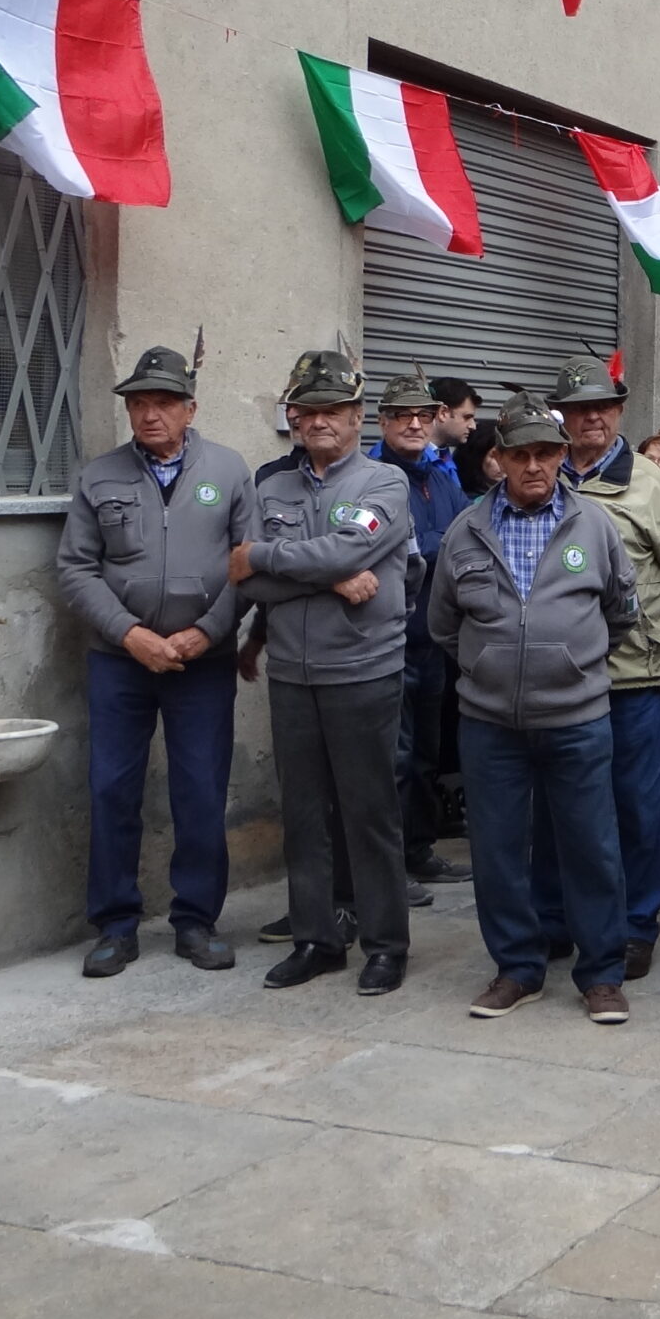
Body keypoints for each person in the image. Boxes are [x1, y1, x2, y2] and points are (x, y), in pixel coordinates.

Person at [426, 392, 639, 1023]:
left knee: (592, 847)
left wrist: (570, 662)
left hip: (577, 719)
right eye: (520, 454)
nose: (534, 466)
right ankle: (517, 968)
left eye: (547, 453)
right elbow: (442, 623)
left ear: (562, 457)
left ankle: (602, 974)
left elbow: (621, 613)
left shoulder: (595, 526)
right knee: (495, 850)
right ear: (498, 460)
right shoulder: (466, 532)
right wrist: (488, 665)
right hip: (491, 724)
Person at [56, 345, 254, 978]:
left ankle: (196, 921)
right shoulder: (101, 476)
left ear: (190, 408)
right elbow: (75, 568)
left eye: (163, 402)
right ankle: (115, 925)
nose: (149, 415)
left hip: (204, 661)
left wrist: (208, 631)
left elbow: (248, 565)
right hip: (120, 661)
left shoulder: (228, 470)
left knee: (200, 791)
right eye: (138, 403)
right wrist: (128, 633)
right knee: (112, 789)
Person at [231, 350, 416, 996]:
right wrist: (329, 579)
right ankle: (316, 938)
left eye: (332, 411)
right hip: (292, 674)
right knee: (304, 814)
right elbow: (248, 580)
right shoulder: (270, 489)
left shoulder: (383, 484)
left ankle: (386, 944)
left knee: (369, 814)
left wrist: (270, 557)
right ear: (293, 418)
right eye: (307, 411)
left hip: (363, 670)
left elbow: (346, 548)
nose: (319, 422)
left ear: (357, 417)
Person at [533, 355, 660, 980]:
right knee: (553, 806)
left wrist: (642, 632)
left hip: (632, 675)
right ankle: (552, 919)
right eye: (578, 408)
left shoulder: (651, 483)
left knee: (634, 803)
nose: (591, 417)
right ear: (563, 417)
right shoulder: (541, 472)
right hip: (556, 676)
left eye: (602, 406)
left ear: (620, 410)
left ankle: (635, 925)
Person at [373, 369, 474, 888]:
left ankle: (419, 851)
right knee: (393, 758)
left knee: (425, 756)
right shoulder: (373, 476)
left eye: (422, 415)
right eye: (401, 416)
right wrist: (436, 542)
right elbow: (390, 546)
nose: (413, 424)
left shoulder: (439, 476)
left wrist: (431, 542)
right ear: (382, 421)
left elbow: (465, 538)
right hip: (388, 641)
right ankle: (388, 870)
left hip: (434, 640)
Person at [429, 378, 482, 479]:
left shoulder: (444, 456)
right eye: (467, 417)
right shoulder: (414, 460)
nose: (473, 426)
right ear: (443, 413)